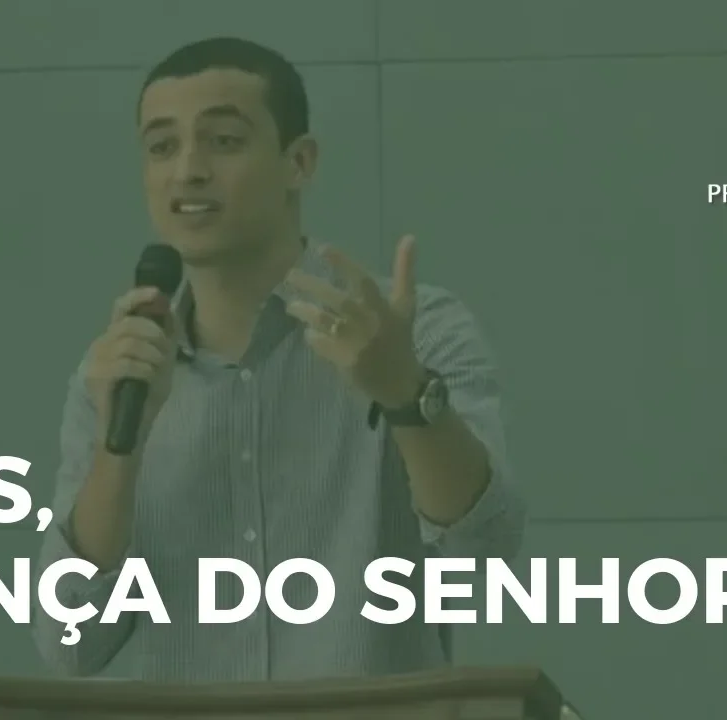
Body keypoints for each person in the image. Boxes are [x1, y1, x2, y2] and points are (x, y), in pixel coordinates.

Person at [32, 36, 525, 682]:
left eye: (224, 141)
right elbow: (70, 641)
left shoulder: (413, 333)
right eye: (162, 147)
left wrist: (406, 395)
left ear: (299, 162)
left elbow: (482, 562)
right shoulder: (115, 375)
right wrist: (118, 449)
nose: (188, 171)